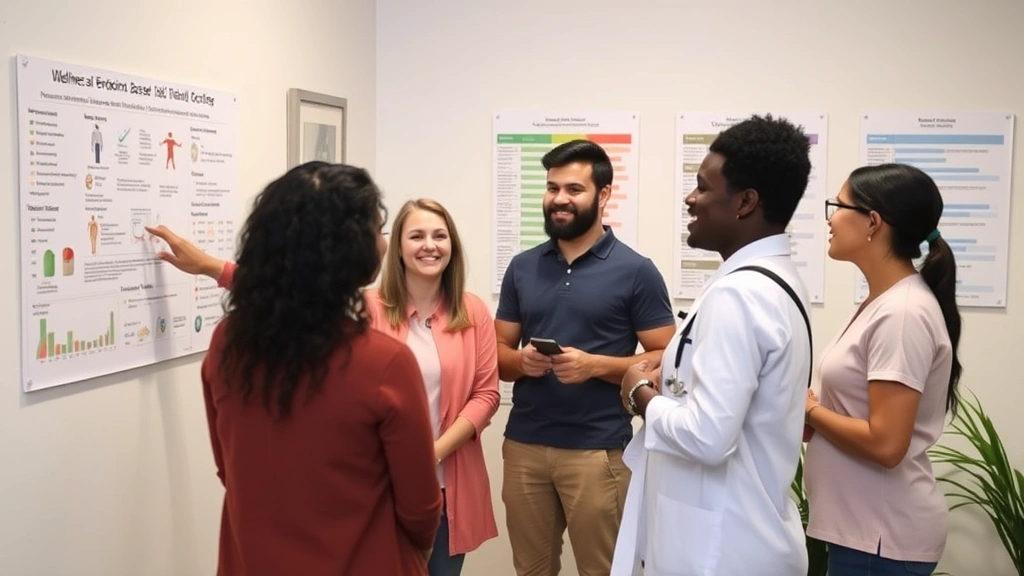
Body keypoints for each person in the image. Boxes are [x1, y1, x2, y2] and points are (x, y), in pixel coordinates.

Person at [147, 197, 501, 576]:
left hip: (453, 485)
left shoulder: (473, 311)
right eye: (416, 235)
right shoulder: (366, 308)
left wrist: (431, 453)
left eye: (439, 236)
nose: (429, 245)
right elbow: (295, 296)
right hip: (382, 488)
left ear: (453, 245)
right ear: (394, 247)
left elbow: (486, 393)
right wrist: (211, 267)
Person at [198, 161, 442, 575]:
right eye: (379, 229)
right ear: (354, 250)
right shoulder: (385, 363)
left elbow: (228, 467)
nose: (384, 242)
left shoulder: (227, 342)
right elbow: (420, 507)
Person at [614, 114, 813, 575]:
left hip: (721, 550)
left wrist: (638, 392)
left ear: (745, 202)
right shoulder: (773, 280)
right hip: (735, 538)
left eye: (703, 187)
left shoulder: (739, 294)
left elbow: (707, 437)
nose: (691, 198)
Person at [494, 139, 676, 576]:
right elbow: (497, 357)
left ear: (604, 195)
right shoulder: (522, 266)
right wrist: (523, 363)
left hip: (597, 452)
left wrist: (595, 365)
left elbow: (666, 358)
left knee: (605, 571)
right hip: (524, 447)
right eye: (553, 187)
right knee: (531, 571)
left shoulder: (636, 271)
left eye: (574, 189)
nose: (560, 199)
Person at [804, 164, 962, 576]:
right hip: (863, 531)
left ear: (872, 222)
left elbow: (887, 444)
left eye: (838, 206)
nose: (830, 218)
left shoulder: (903, 313)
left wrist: (810, 411)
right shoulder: (884, 302)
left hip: (881, 538)